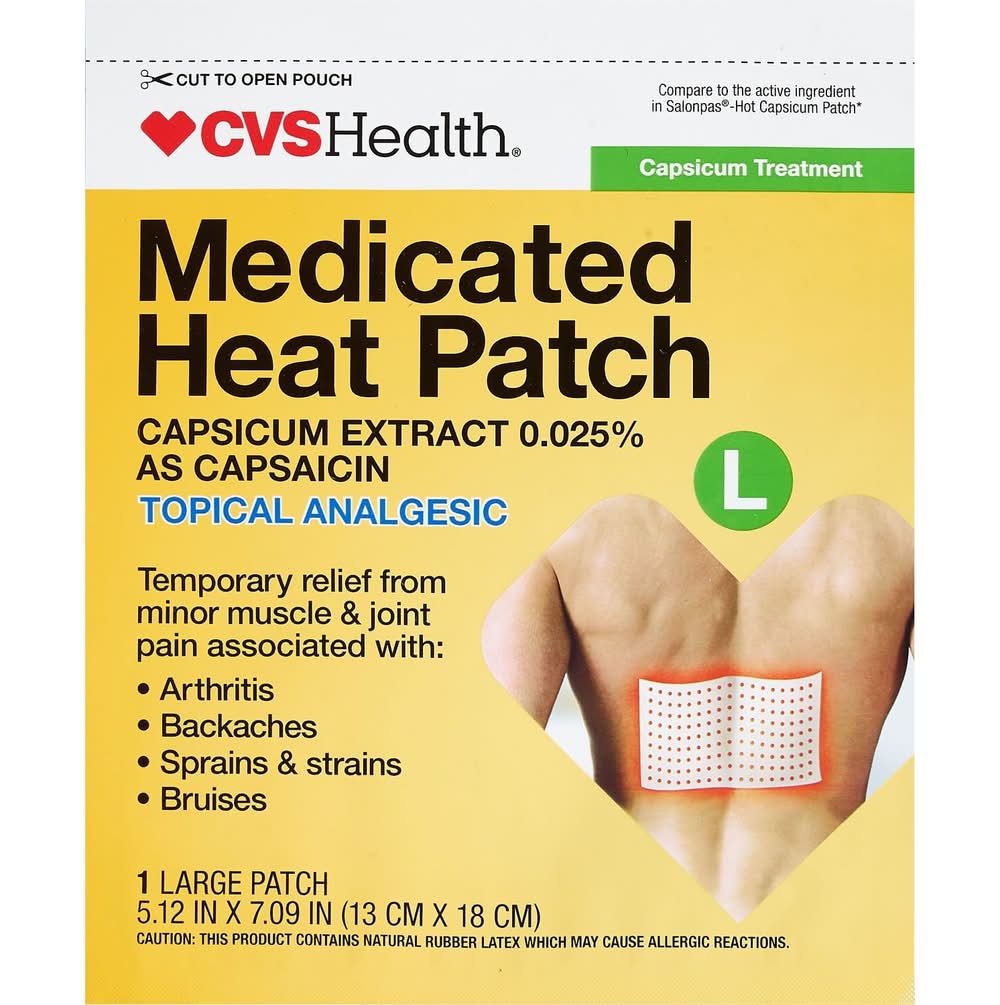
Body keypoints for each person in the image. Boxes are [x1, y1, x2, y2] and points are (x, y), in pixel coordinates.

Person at [482, 495, 913, 919]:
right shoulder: (898, 525)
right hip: (825, 919)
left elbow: (494, 772)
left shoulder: (564, 524)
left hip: (642, 918)